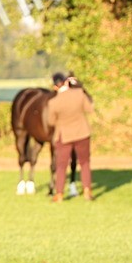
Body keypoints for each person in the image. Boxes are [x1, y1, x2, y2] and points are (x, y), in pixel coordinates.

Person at [45, 72, 94, 202]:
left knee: (61, 165)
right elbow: (89, 108)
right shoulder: (79, 94)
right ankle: (87, 190)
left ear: (55, 86)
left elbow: (50, 121)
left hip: (64, 135)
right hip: (82, 132)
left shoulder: (53, 102)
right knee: (84, 162)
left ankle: (59, 194)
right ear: (66, 82)